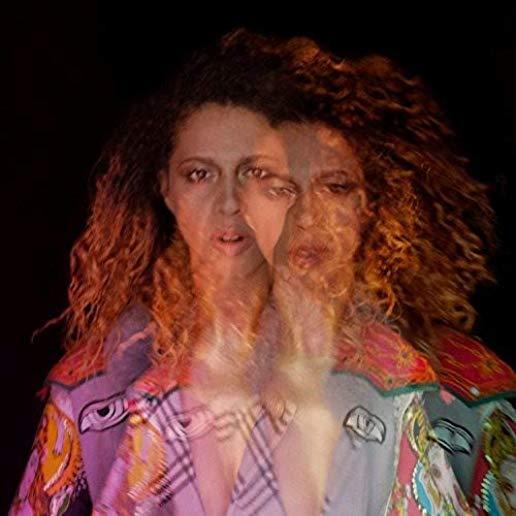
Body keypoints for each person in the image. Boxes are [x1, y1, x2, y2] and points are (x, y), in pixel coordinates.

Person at [10, 28, 513, 515]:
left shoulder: (436, 386)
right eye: (280, 187)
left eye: (336, 187)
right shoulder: (107, 387)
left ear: (372, 205)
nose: (308, 214)